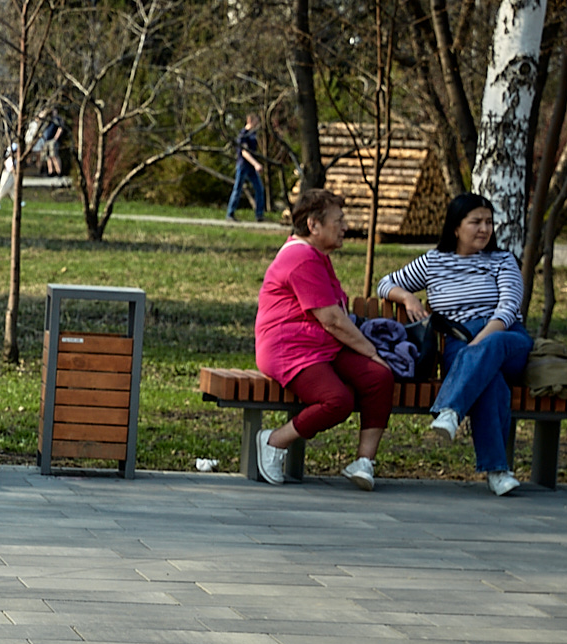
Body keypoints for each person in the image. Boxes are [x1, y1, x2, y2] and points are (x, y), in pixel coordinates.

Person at [376, 193, 533, 497]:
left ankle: (450, 408)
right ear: (455, 228)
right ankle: (498, 471)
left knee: (493, 347)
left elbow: (507, 310)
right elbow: (386, 283)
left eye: (488, 222)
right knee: (489, 383)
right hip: (458, 343)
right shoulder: (434, 262)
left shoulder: (504, 261)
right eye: (476, 222)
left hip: (506, 337)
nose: (484, 229)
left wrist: (478, 345)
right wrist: (408, 297)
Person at [252, 189, 393, 490]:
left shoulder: (316, 255)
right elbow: (331, 319)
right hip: (291, 350)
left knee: (378, 377)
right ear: (314, 225)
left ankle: (364, 462)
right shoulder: (301, 257)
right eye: (338, 221)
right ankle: (275, 440)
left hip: (322, 346)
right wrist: (370, 351)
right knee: (337, 400)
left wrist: (372, 360)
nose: (345, 227)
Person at [226, 113, 267, 221]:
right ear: (251, 121)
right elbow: (245, 152)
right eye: (256, 121)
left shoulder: (253, 134)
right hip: (243, 165)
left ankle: (259, 214)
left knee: (259, 189)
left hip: (251, 167)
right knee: (238, 189)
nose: (258, 123)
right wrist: (256, 164)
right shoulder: (243, 134)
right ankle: (230, 213)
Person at [0, 142, 21, 210]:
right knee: (4, 188)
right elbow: (12, 168)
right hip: (8, 175)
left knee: (13, 188)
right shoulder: (10, 160)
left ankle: (17, 201)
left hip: (12, 175)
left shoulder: (15, 160)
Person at [36, 109, 64, 178]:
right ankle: (50, 171)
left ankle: (59, 171)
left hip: (52, 140)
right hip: (46, 140)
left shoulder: (57, 119)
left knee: (54, 156)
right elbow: (37, 119)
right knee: (48, 157)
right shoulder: (46, 119)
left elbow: (60, 128)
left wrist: (56, 138)